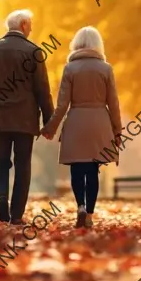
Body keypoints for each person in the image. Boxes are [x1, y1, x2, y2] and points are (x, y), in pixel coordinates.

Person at [0, 9, 54, 225]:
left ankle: (2, 199)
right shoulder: (34, 52)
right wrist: (49, 122)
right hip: (25, 120)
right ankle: (16, 214)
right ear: (24, 25)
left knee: (1, 162)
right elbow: (42, 90)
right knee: (23, 164)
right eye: (31, 24)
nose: (32, 28)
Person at [40, 26, 122, 228]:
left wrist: (50, 127)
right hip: (99, 123)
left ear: (76, 44)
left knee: (77, 169)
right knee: (93, 170)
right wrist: (117, 131)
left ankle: (80, 207)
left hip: (76, 121)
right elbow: (114, 104)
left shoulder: (69, 69)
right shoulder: (106, 69)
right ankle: (90, 216)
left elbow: (62, 105)